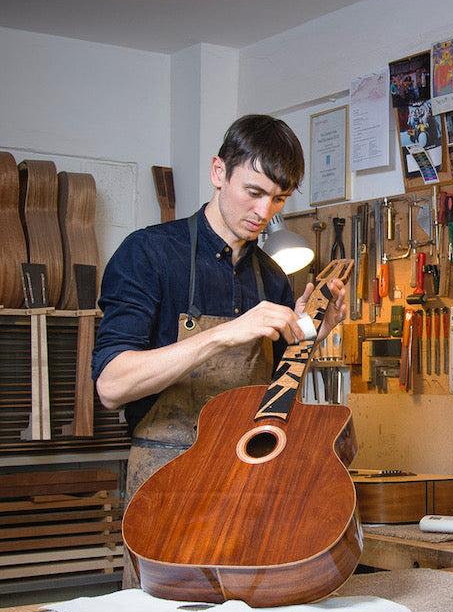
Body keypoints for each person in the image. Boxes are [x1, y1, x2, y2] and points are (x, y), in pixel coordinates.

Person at [92, 114, 347, 585]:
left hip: (246, 482)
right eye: (253, 192)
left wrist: (315, 333)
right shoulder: (148, 255)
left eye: (278, 199)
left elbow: (272, 400)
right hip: (166, 477)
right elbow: (111, 384)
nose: (264, 211)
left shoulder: (271, 276)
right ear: (218, 172)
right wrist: (222, 333)